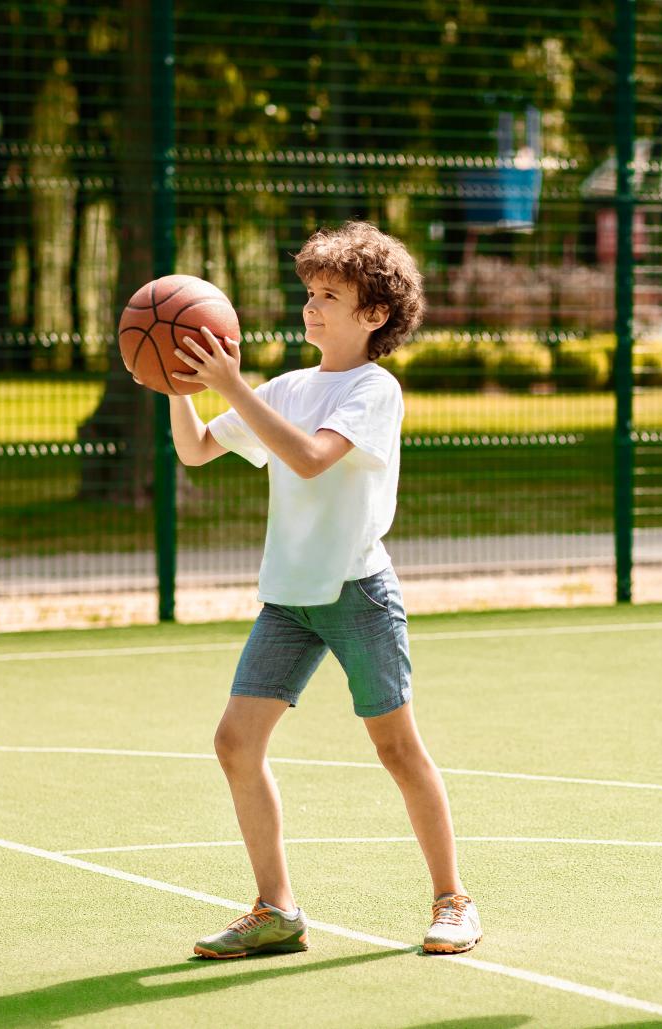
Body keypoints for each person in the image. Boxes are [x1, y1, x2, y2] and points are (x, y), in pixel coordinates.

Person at [163, 221, 481, 958]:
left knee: (398, 750)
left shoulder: (375, 390)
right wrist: (173, 382)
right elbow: (197, 449)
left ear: (374, 315)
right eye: (309, 292)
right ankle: (276, 909)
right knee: (234, 742)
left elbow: (308, 458)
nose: (312, 306)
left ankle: (452, 898)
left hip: (358, 594)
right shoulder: (288, 386)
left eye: (330, 296)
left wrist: (231, 385)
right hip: (290, 599)